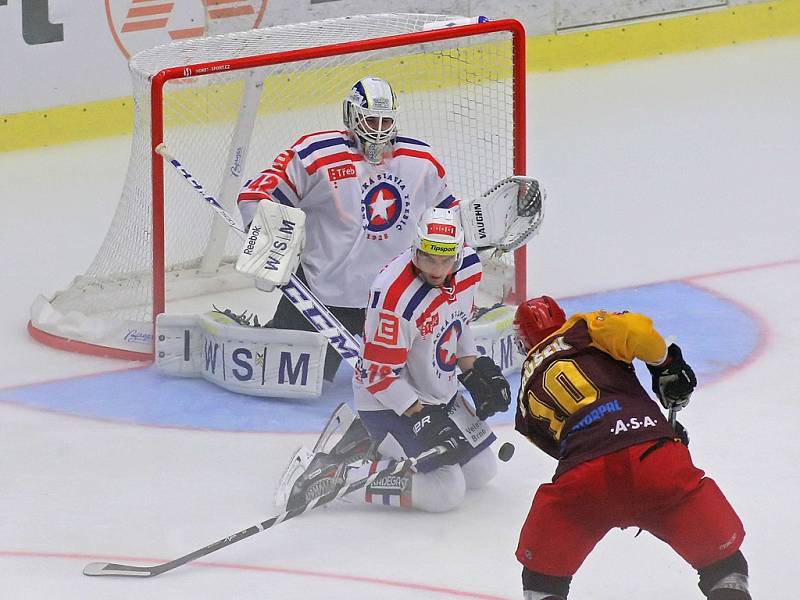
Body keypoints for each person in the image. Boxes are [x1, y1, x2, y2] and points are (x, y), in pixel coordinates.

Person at [511, 296, 751, 600]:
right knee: (726, 566)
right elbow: (637, 332)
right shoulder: (581, 330)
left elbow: (564, 448)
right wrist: (666, 364)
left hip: (584, 478)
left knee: (541, 580)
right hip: (654, 458)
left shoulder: (525, 392)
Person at [276, 207, 512, 513]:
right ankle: (339, 475)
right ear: (415, 248)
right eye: (428, 258)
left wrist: (474, 368)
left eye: (445, 260)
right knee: (446, 491)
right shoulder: (393, 296)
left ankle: (368, 444)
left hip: (439, 395)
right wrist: (419, 414)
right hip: (389, 403)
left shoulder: (467, 268)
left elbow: (458, 322)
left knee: (482, 472)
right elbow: (377, 376)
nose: (437, 270)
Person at [237, 76, 459, 381]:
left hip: (395, 303)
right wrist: (266, 237)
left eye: (385, 121)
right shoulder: (316, 154)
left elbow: (449, 220)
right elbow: (256, 194)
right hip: (322, 298)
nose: (378, 129)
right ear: (351, 116)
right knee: (282, 380)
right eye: (370, 120)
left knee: (422, 383)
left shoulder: (422, 160)